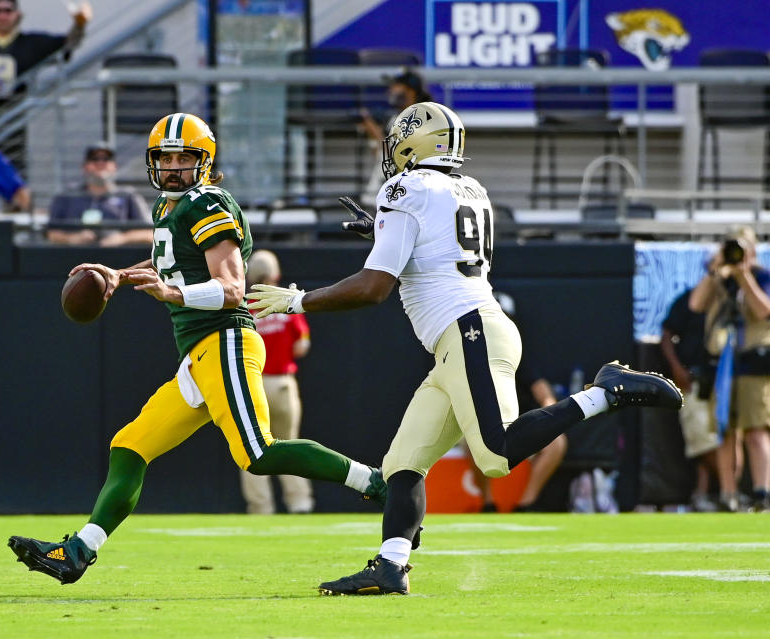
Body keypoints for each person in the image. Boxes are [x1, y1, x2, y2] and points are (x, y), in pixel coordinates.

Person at [248, 101, 684, 595]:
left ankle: (605, 392)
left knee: (496, 453)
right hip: (463, 336)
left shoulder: (405, 188)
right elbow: (440, 247)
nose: (392, 155)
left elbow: (373, 288)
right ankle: (391, 567)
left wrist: (298, 300)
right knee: (402, 465)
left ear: (414, 142)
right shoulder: (471, 189)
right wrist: (383, 230)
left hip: (468, 330)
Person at [7, 112, 387, 585]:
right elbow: (171, 259)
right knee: (130, 446)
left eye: (184, 156)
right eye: (165, 157)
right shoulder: (170, 208)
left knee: (258, 453)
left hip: (224, 339)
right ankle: (79, 550)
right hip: (200, 354)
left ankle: (376, 483)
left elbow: (231, 287)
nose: (173, 166)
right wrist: (119, 275)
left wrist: (173, 294)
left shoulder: (206, 203)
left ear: (204, 161)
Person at [0, 0, 93, 174]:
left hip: (16, 123)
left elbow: (68, 45)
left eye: (8, 11)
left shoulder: (30, 43)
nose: (2, 16)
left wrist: (80, 24)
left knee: (14, 174)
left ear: (17, 14)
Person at [688, 227, 770, 513]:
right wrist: (716, 270)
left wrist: (743, 275)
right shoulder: (718, 279)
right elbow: (695, 304)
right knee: (725, 431)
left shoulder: (762, 276)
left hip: (754, 363)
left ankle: (763, 493)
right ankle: (728, 493)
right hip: (722, 365)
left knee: (756, 429)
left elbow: (764, 311)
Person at [470, 291, 568, 513]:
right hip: (484, 428)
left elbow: (542, 391)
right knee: (469, 438)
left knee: (557, 442)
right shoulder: (469, 359)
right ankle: (488, 503)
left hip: (520, 429)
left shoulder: (519, 358)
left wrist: (550, 410)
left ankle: (526, 504)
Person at [239, 250, 314, 515]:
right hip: (282, 382)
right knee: (289, 443)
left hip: (252, 385)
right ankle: (299, 502)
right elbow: (302, 345)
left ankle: (261, 507)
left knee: (252, 448)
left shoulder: (243, 306)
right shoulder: (285, 304)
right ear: (275, 275)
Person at [660, 288, 722, 512]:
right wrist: (676, 368)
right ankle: (727, 490)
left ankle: (705, 492)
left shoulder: (738, 297)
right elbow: (666, 334)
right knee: (700, 439)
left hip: (726, 379)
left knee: (725, 440)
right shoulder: (691, 297)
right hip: (694, 379)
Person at [46, 142, 153, 246]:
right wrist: (73, 238)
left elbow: (150, 234)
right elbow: (51, 234)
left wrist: (122, 238)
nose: (100, 163)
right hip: (74, 258)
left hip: (119, 259)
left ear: (114, 166)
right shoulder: (67, 195)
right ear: (84, 166)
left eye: (106, 159)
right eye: (94, 159)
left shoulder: (129, 195)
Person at [359, 69, 434, 206]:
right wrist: (372, 133)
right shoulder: (394, 118)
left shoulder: (421, 117)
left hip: (404, 199)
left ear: (410, 91)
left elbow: (401, 157)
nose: (390, 91)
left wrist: (374, 132)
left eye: (395, 86)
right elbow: (382, 155)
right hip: (382, 196)